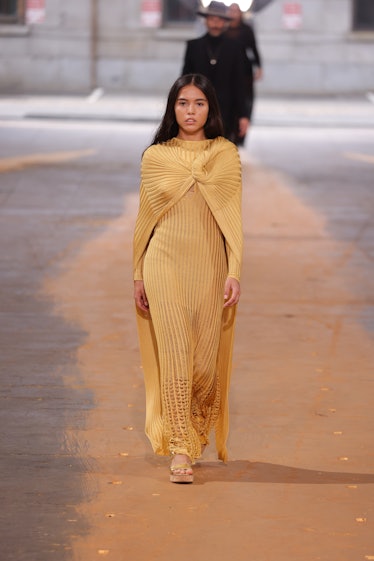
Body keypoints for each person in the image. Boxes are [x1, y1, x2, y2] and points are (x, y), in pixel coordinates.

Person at [133, 73, 243, 484]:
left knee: (203, 367)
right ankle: (181, 448)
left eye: (198, 103)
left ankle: (195, 430)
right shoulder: (155, 156)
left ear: (210, 108)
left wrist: (235, 270)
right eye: (182, 103)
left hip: (211, 267)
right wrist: (137, 274)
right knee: (176, 356)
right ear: (172, 108)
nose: (190, 111)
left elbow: (233, 219)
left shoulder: (225, 154)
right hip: (163, 264)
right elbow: (145, 219)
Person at [182, 1, 249, 145]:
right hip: (198, 108)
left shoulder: (235, 48)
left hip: (227, 110)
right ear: (206, 21)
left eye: (219, 19)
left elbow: (239, 83)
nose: (215, 23)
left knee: (222, 153)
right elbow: (185, 80)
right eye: (212, 18)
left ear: (225, 22)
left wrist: (243, 115)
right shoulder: (193, 46)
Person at [225, 2, 263, 145]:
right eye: (231, 10)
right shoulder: (223, 29)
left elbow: (253, 49)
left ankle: (240, 134)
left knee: (245, 101)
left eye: (236, 10)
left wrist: (259, 67)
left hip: (244, 71)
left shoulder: (246, 30)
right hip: (226, 70)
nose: (233, 13)